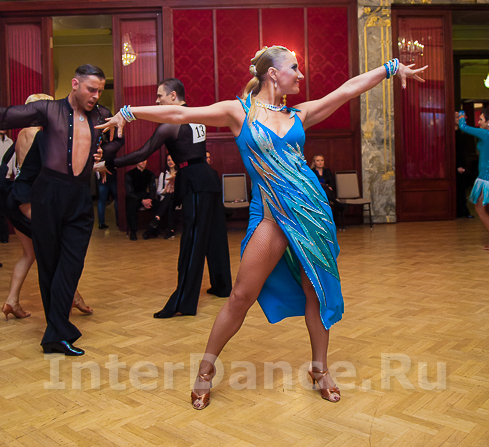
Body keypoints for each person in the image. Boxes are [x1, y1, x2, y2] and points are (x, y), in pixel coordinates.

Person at [99, 47, 426, 408]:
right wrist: (129, 112)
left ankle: (320, 369)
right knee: (241, 296)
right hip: (271, 216)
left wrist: (391, 68)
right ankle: (206, 370)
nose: (300, 75)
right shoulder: (238, 112)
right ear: (273, 73)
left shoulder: (299, 114)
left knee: (315, 292)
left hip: (311, 214)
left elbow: (347, 90)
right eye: (294, 68)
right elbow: (180, 112)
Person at [0, 65, 124, 356]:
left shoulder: (101, 115)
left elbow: (118, 139)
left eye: (99, 90)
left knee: (71, 265)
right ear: (75, 84)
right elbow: (6, 116)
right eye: (91, 89)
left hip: (80, 198)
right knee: (49, 266)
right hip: (49, 196)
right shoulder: (49, 110)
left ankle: (57, 331)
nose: (96, 96)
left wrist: (105, 151)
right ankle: (56, 335)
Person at [99, 78, 232, 317]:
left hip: (195, 181)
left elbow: (143, 152)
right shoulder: (196, 116)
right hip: (207, 178)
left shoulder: (171, 123)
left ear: (173, 96)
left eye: (160, 96)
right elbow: (193, 152)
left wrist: (110, 164)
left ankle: (182, 303)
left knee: (192, 241)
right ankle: (222, 286)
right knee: (215, 235)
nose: (157, 100)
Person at [1, 102, 93, 320]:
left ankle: (12, 301)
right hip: (32, 200)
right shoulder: (41, 135)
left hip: (18, 196)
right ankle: (71, 298)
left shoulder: (22, 134)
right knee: (60, 251)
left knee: (30, 254)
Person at [456, 109, 489, 248]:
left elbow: (463, 127)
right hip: (485, 177)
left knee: (480, 208)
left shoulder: (485, 133)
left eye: (481, 119)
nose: (479, 122)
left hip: (486, 179)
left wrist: (461, 114)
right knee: (481, 208)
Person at [143, 154, 177, 240]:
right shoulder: (163, 174)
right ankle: (171, 230)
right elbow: (158, 191)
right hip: (165, 200)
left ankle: (156, 219)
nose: (170, 162)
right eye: (168, 160)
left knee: (170, 196)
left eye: (172, 159)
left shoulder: (180, 174)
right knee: (169, 200)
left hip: (177, 199)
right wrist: (165, 190)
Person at [125, 160, 156, 241]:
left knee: (158, 204)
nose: (143, 162)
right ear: (137, 161)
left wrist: (150, 199)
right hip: (134, 197)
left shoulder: (150, 174)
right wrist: (142, 200)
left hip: (145, 196)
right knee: (131, 206)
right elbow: (129, 192)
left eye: (145, 160)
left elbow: (153, 189)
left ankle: (153, 230)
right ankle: (133, 232)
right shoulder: (129, 174)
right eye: (141, 160)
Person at [455, 120, 473, 218]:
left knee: (462, 189)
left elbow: (463, 152)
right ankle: (458, 211)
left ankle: (463, 211)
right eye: (457, 117)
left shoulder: (462, 134)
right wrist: (457, 166)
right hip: (455, 165)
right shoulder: (451, 135)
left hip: (462, 164)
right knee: (457, 189)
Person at [0, 128, 15, 244]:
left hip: (7, 179)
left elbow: (14, 162)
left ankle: (4, 236)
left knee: (5, 209)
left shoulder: (10, 142)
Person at [97, 165, 118, 230]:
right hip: (113, 175)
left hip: (102, 176)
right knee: (117, 199)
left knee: (101, 201)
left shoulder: (99, 158)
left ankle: (101, 223)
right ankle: (119, 221)